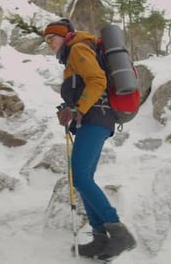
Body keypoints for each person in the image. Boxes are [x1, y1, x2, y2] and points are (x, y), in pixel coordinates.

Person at [43, 18, 137, 261]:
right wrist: (69, 107)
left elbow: (98, 81)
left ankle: (117, 231)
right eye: (45, 40)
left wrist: (78, 110)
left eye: (51, 38)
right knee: (83, 178)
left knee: (80, 176)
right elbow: (85, 86)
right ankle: (100, 238)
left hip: (95, 119)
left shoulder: (78, 48)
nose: (49, 43)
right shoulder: (73, 54)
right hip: (95, 120)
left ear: (64, 36)